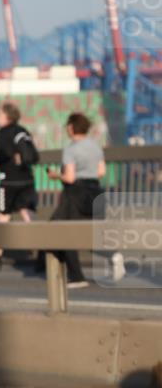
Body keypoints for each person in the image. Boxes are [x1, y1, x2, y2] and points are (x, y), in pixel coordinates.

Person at [46, 112, 110, 288]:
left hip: (76, 193)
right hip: (95, 190)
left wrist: (55, 175)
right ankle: (113, 255)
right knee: (90, 230)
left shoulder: (71, 149)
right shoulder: (96, 146)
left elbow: (70, 178)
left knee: (65, 230)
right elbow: (101, 172)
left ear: (71, 127)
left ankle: (76, 276)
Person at [0, 102, 38, 271]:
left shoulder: (3, 133)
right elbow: (33, 155)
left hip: (8, 182)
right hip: (27, 180)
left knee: (2, 216)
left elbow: (3, 153)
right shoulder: (23, 131)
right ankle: (40, 249)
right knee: (26, 212)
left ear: (7, 117)